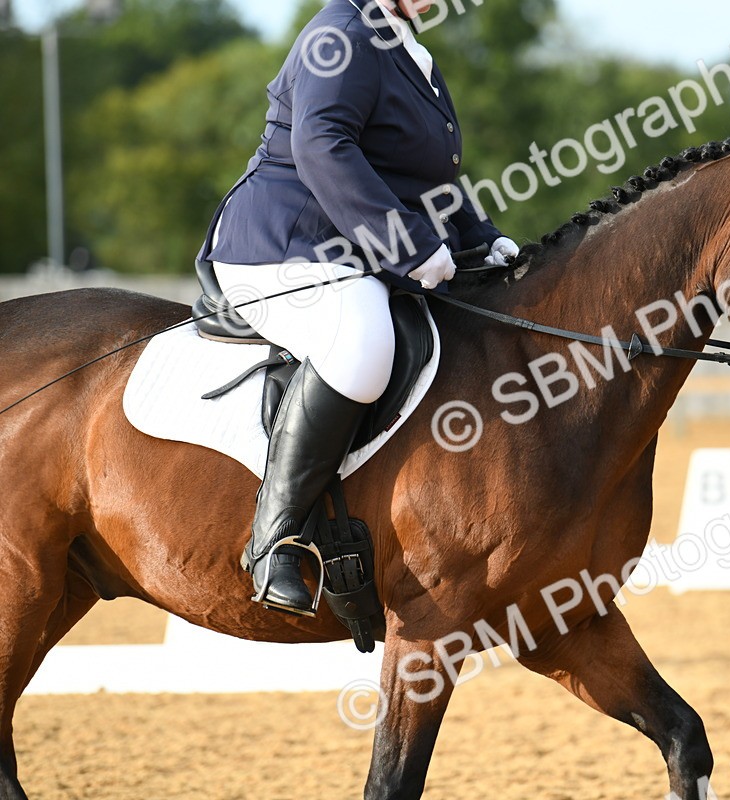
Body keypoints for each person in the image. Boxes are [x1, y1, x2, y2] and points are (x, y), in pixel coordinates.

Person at [195, 0, 518, 615]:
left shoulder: (404, 45)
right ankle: (275, 538)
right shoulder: (342, 34)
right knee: (362, 338)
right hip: (284, 246)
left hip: (348, 247)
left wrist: (480, 237)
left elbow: (421, 174)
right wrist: (411, 246)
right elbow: (322, 147)